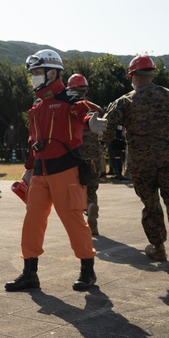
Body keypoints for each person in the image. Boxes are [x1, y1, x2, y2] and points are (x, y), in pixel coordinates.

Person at [5, 50, 97, 292]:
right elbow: (33, 141)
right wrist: (27, 171)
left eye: (37, 73)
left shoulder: (71, 100)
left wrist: (93, 121)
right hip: (39, 173)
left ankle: (88, 271)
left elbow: (85, 113)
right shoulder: (36, 106)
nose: (34, 77)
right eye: (33, 73)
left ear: (53, 72)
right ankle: (29, 274)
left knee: (73, 220)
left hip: (66, 170)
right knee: (32, 221)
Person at [99, 54, 169, 266]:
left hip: (141, 162)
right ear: (152, 74)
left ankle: (158, 247)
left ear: (133, 76)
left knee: (150, 204)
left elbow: (105, 131)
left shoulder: (124, 101)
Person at [68, 73, 105, 236]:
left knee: (77, 187)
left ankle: (86, 207)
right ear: (86, 89)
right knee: (92, 187)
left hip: (76, 153)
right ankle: (93, 222)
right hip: (95, 154)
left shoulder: (69, 108)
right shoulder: (97, 108)